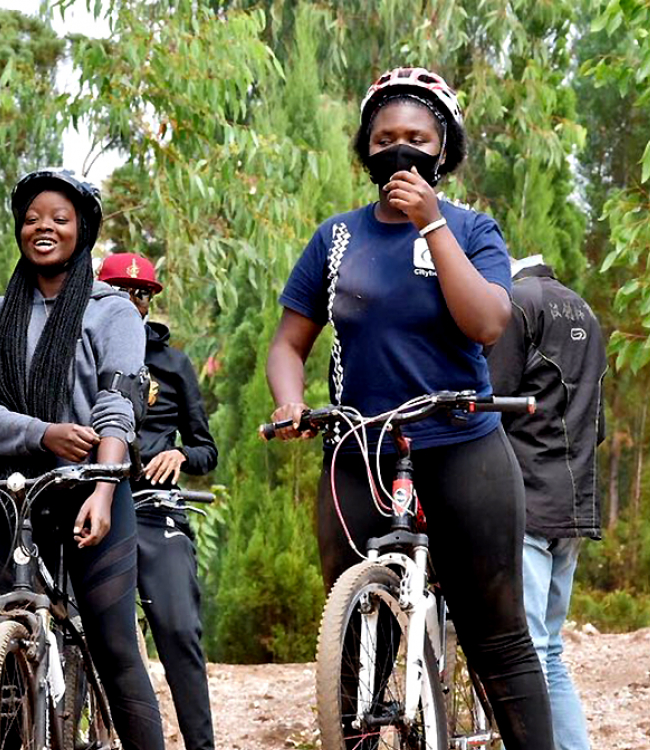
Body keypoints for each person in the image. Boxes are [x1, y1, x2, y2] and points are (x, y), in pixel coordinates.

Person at [264, 67, 554, 748]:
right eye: (385, 137)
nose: (401, 150)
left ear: (443, 149)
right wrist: (288, 400)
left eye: (418, 139)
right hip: (358, 453)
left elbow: (486, 323)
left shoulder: (472, 229)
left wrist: (430, 225)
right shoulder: (336, 239)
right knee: (355, 644)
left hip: (462, 446)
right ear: (366, 148)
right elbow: (289, 341)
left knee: (499, 636)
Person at [0, 169, 163, 750]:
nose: (42, 226)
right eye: (31, 218)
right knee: (10, 648)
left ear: (83, 230)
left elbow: (119, 400)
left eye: (59, 218)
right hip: (13, 495)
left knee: (115, 647)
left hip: (91, 491)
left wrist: (103, 487)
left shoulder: (113, 312)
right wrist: (42, 434)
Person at [97, 251, 219, 750]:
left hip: (155, 511)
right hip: (93, 505)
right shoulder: (78, 352)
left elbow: (207, 449)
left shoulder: (173, 364)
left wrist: (180, 455)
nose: (132, 300)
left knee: (178, 628)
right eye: (121, 291)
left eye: (142, 293)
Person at [485, 254, 607, 750]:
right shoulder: (585, 311)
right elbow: (595, 424)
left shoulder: (518, 303)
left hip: (527, 502)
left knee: (530, 652)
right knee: (550, 650)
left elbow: (488, 401)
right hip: (573, 504)